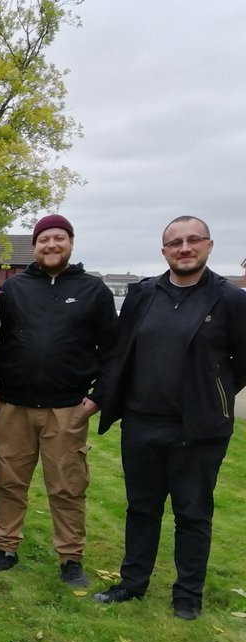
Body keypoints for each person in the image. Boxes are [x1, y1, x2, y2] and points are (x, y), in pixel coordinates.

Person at [92, 216, 246, 620]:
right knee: (141, 508)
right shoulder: (144, 294)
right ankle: (132, 583)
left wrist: (213, 395)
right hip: (141, 423)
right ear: (164, 252)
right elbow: (122, 350)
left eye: (193, 240)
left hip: (196, 429)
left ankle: (187, 595)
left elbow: (241, 364)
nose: (184, 248)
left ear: (209, 246)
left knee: (193, 513)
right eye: (175, 242)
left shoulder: (229, 300)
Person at [0, 215, 117, 587]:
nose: (51, 245)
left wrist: (98, 396)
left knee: (67, 485)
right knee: (9, 480)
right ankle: (5, 547)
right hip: (14, 405)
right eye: (44, 240)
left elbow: (113, 350)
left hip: (67, 407)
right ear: (34, 246)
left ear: (71, 243)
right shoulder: (14, 289)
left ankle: (71, 557)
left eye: (59, 238)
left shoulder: (94, 290)